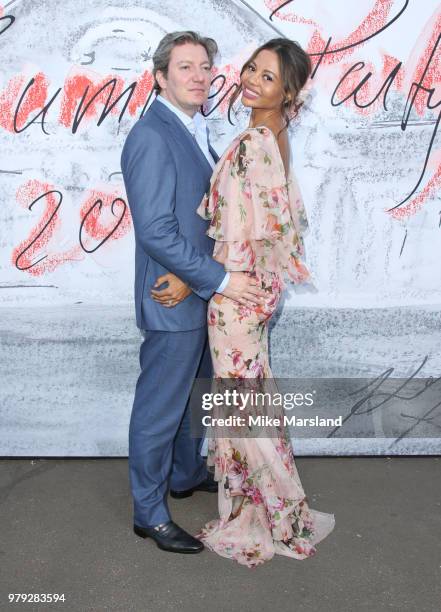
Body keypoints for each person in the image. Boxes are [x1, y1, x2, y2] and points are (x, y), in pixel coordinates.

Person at [120, 31, 266, 555]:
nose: (199, 76)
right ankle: (150, 513)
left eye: (205, 66)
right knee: (160, 408)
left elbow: (201, 218)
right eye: (185, 67)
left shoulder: (191, 126)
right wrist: (221, 280)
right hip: (173, 299)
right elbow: (156, 230)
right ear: (160, 76)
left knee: (192, 402)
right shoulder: (151, 136)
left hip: (196, 292)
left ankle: (183, 476)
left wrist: (205, 278)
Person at [194, 38, 336, 567]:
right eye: (252, 67)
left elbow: (245, 232)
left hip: (237, 295)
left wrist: (217, 281)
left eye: (268, 76)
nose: (252, 78)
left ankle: (276, 512)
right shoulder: (273, 136)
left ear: (289, 91)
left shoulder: (256, 141)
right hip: (251, 291)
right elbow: (274, 230)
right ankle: (269, 507)